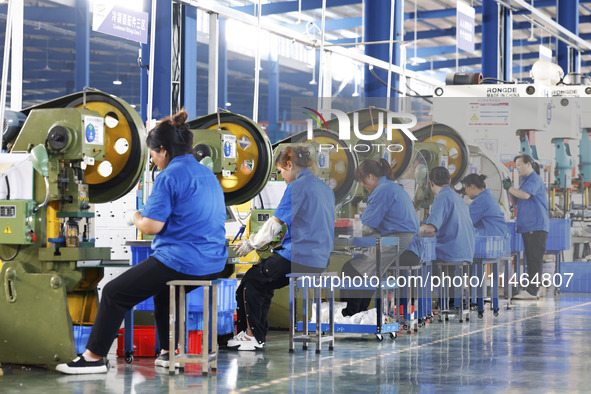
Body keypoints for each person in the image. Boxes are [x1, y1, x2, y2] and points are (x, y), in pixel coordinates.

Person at [56, 109, 228, 374]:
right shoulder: (208, 176)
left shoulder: (169, 176)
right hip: (214, 262)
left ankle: (93, 357)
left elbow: (151, 226)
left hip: (182, 260)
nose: (153, 160)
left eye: (152, 155)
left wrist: (134, 216)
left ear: (163, 149)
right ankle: (169, 352)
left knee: (115, 293)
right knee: (163, 292)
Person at [228, 146, 335, 351]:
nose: (282, 177)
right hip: (319, 259)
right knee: (264, 280)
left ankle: (252, 336)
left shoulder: (297, 187)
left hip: (299, 256)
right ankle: (256, 335)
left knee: (250, 281)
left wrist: (251, 243)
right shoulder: (324, 188)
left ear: (290, 165)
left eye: (281, 171)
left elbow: (273, 226)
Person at [340, 158, 419, 317]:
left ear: (369, 176)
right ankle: (360, 315)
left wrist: (341, 231)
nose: (363, 186)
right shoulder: (392, 187)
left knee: (351, 269)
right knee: (368, 271)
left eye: (362, 181)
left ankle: (349, 316)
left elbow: (367, 226)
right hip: (408, 244)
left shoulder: (382, 190)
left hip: (398, 242)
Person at [503, 154, 549, 300]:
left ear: (528, 164)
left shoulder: (534, 179)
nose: (517, 168)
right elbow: (516, 201)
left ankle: (532, 291)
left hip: (535, 226)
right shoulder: (525, 181)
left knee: (534, 259)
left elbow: (525, 196)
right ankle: (532, 289)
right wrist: (508, 190)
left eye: (519, 165)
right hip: (529, 226)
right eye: (515, 166)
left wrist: (511, 187)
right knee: (530, 259)